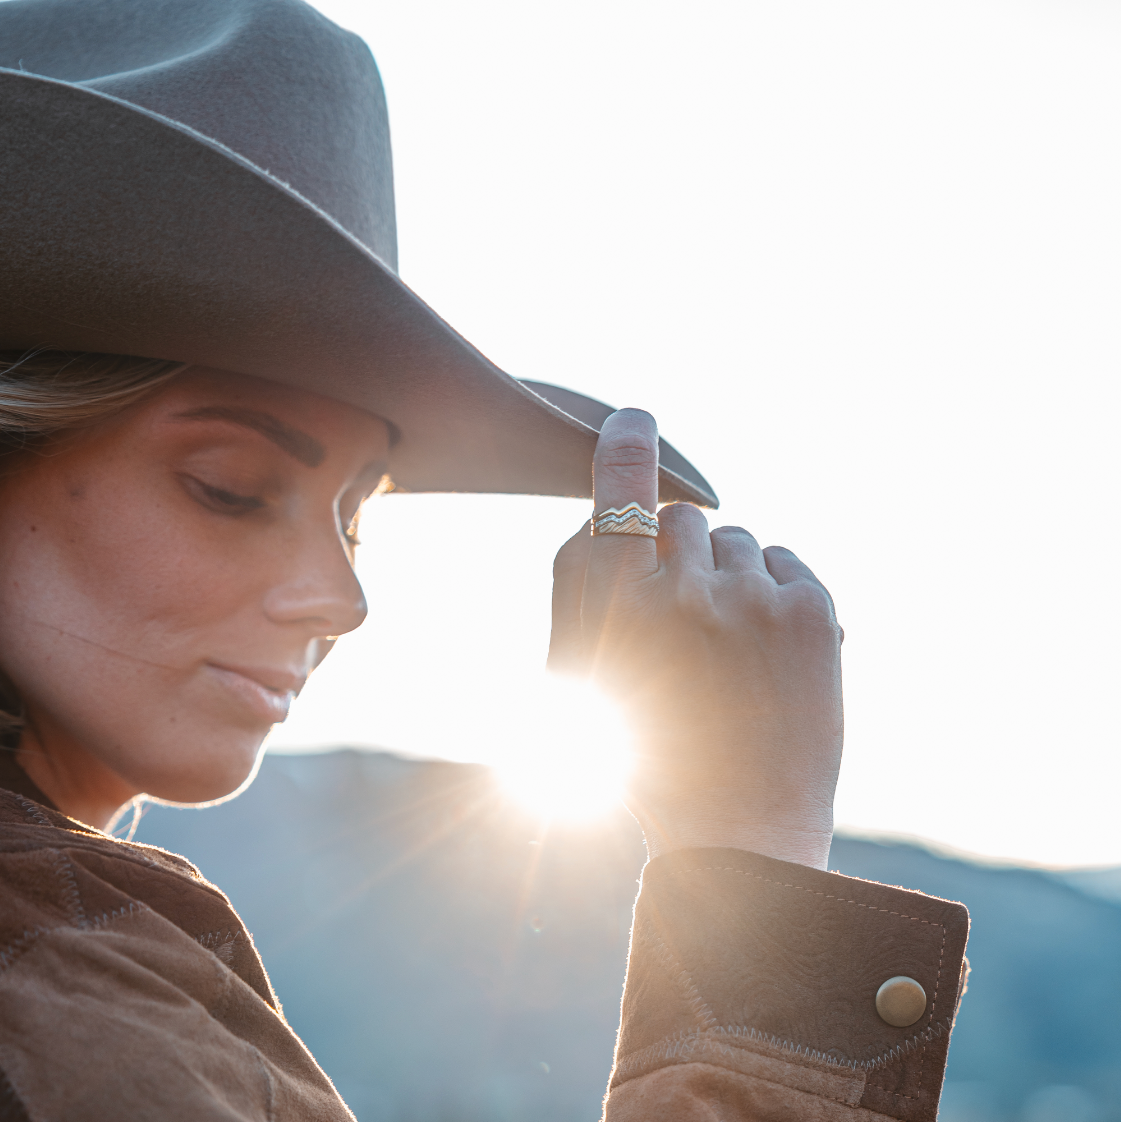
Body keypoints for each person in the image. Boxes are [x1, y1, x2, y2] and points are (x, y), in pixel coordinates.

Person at [0, 1, 968, 1119]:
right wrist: (749, 849)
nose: (341, 599)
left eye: (358, 512)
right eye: (231, 487)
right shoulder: (55, 976)